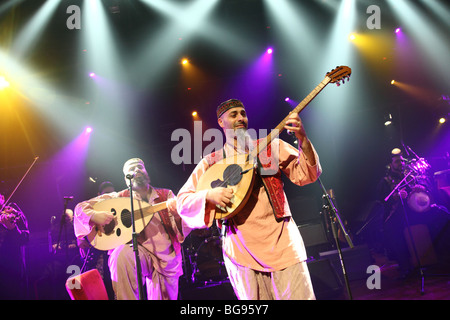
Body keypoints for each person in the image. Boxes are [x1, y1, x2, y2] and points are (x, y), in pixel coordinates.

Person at [176, 99, 322, 300]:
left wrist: (302, 138)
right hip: (241, 249)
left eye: (243, 113)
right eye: (233, 114)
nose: (240, 118)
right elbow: (182, 201)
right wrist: (208, 195)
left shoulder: (270, 147)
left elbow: (307, 175)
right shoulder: (211, 162)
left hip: (283, 241)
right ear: (221, 122)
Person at [74, 158, 190, 300]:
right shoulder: (120, 197)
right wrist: (94, 215)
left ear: (146, 171)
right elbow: (80, 208)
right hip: (138, 253)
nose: (137, 170)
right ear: (126, 179)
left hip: (166, 259)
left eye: (140, 167)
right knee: (120, 255)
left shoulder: (166, 195)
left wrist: (178, 216)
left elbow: (182, 229)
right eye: (132, 169)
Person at [77, 181, 116, 300]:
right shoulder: (93, 209)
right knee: (100, 288)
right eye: (106, 193)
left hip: (114, 254)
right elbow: (82, 221)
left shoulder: (117, 208)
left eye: (112, 193)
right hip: (98, 257)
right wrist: (81, 239)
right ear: (99, 194)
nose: (109, 195)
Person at [0, 193, 30, 299]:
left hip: (11, 271)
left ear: (2, 198)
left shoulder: (14, 213)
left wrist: (12, 228)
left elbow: (25, 238)